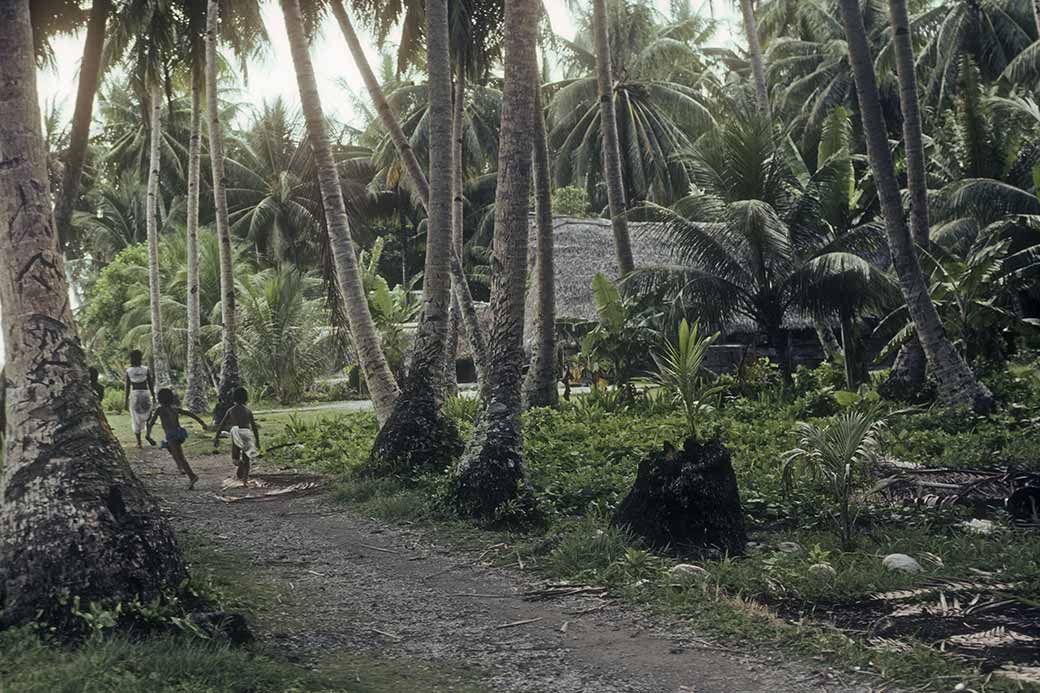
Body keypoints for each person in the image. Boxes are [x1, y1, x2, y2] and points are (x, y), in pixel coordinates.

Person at [146, 388, 207, 489]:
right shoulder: (174, 408)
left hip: (171, 435)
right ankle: (180, 467)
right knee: (170, 448)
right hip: (179, 433)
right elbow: (189, 414)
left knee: (180, 457)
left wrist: (148, 435)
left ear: (159, 399)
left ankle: (192, 476)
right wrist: (202, 423)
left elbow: (151, 423)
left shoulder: (159, 410)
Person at [213, 387, 261, 485]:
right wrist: (257, 441)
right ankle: (245, 482)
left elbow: (221, 424)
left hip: (236, 432)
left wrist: (216, 437)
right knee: (247, 458)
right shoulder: (248, 411)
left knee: (235, 457)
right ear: (246, 398)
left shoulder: (231, 410)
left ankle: (240, 464)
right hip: (246, 432)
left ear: (234, 398)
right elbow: (254, 427)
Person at [123, 350, 154, 447]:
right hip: (145, 394)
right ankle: (148, 435)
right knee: (149, 416)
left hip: (135, 395)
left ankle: (139, 442)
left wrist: (125, 401)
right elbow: (150, 384)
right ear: (141, 358)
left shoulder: (129, 371)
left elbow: (127, 387)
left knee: (135, 418)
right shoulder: (146, 369)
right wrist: (154, 396)